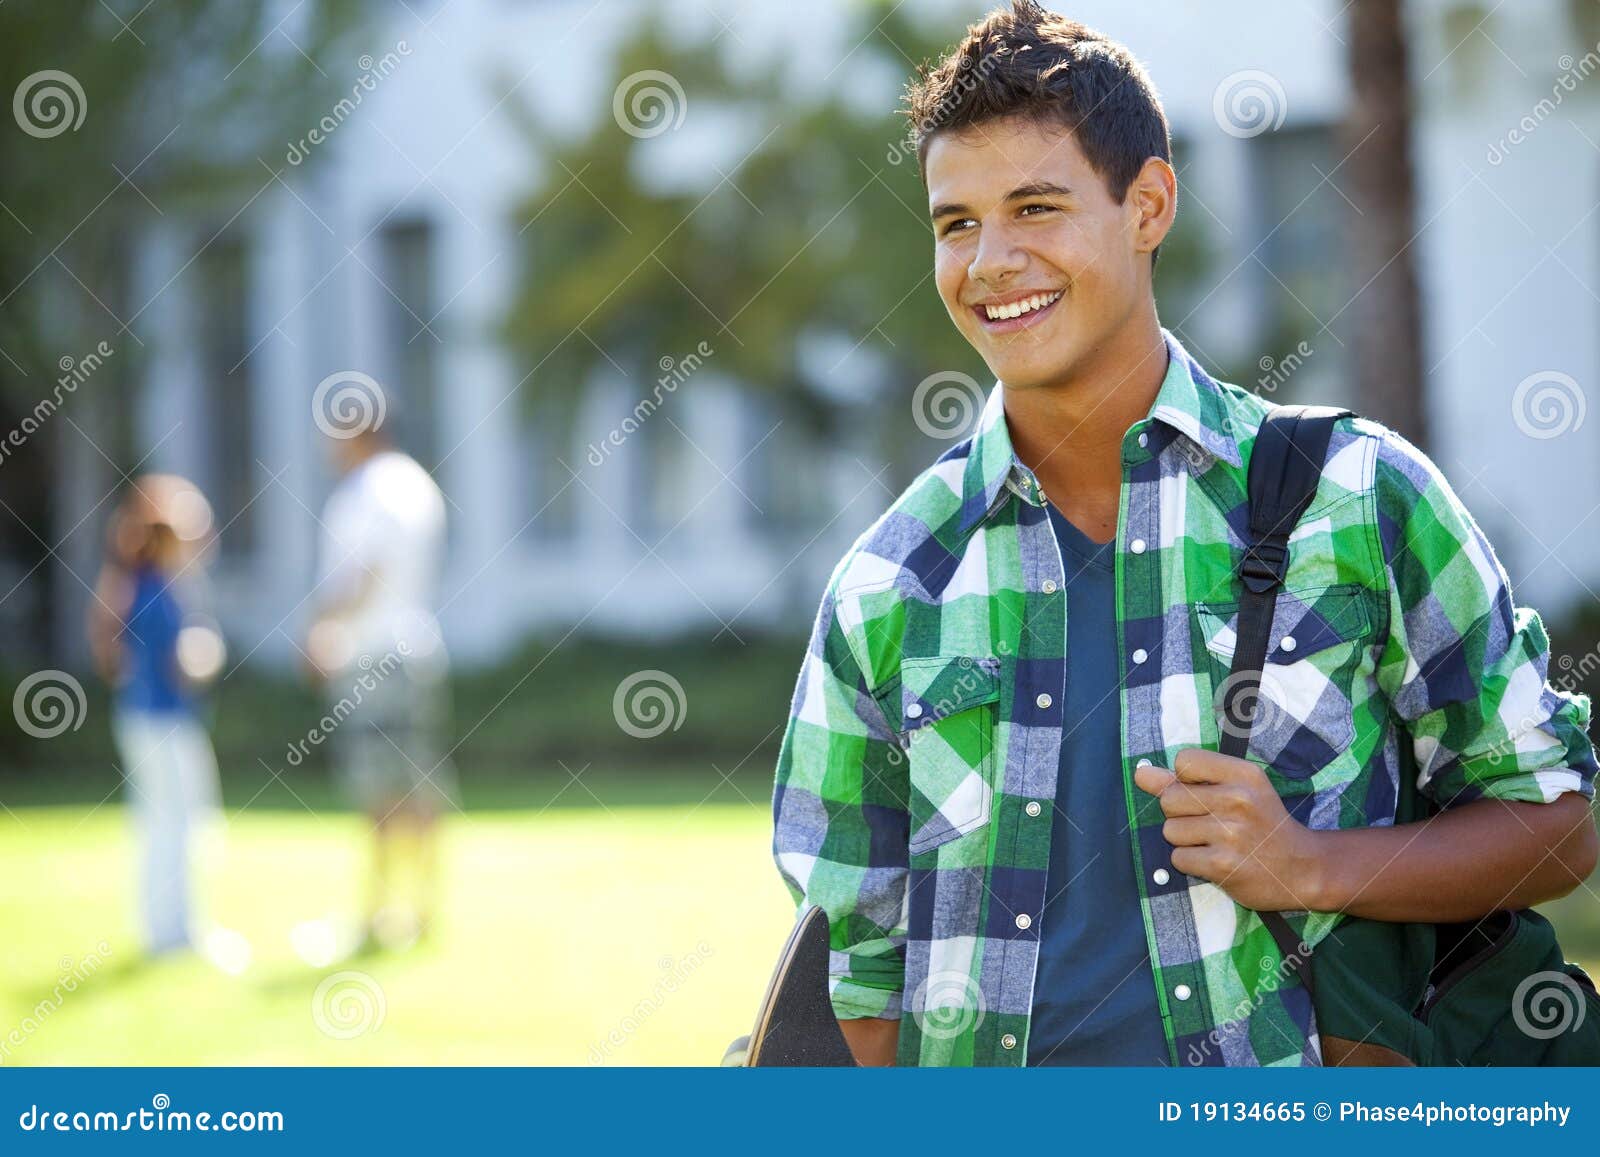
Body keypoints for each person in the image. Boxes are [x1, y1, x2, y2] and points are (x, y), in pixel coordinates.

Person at [770, 1, 1599, 1067]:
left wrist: (1313, 864)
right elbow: (853, 985)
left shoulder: (1357, 496)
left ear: (1147, 205)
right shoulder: (887, 584)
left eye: (1035, 206)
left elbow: (1556, 821)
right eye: (956, 221)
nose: (989, 261)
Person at [305, 417, 454, 952]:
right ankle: (422, 912)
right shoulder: (415, 482)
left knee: (380, 791)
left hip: (375, 657)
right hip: (412, 651)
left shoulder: (372, 489)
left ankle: (377, 915)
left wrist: (323, 625)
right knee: (419, 784)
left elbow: (366, 571)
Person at [88, 475, 234, 964]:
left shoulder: (152, 584)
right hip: (160, 722)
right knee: (173, 826)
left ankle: (172, 931)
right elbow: (178, 663)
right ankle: (174, 934)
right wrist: (204, 655)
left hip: (152, 720)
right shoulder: (154, 589)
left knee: (168, 825)